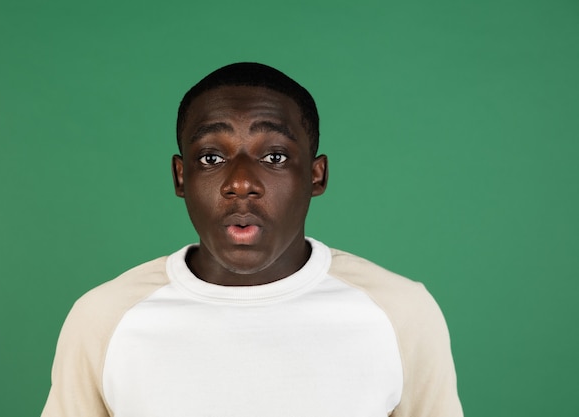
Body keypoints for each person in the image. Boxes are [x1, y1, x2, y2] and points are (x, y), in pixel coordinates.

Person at [41, 62, 462, 417]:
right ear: (180, 177)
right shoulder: (103, 319)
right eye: (211, 157)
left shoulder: (401, 313)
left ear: (316, 176)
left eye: (274, 156)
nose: (241, 183)